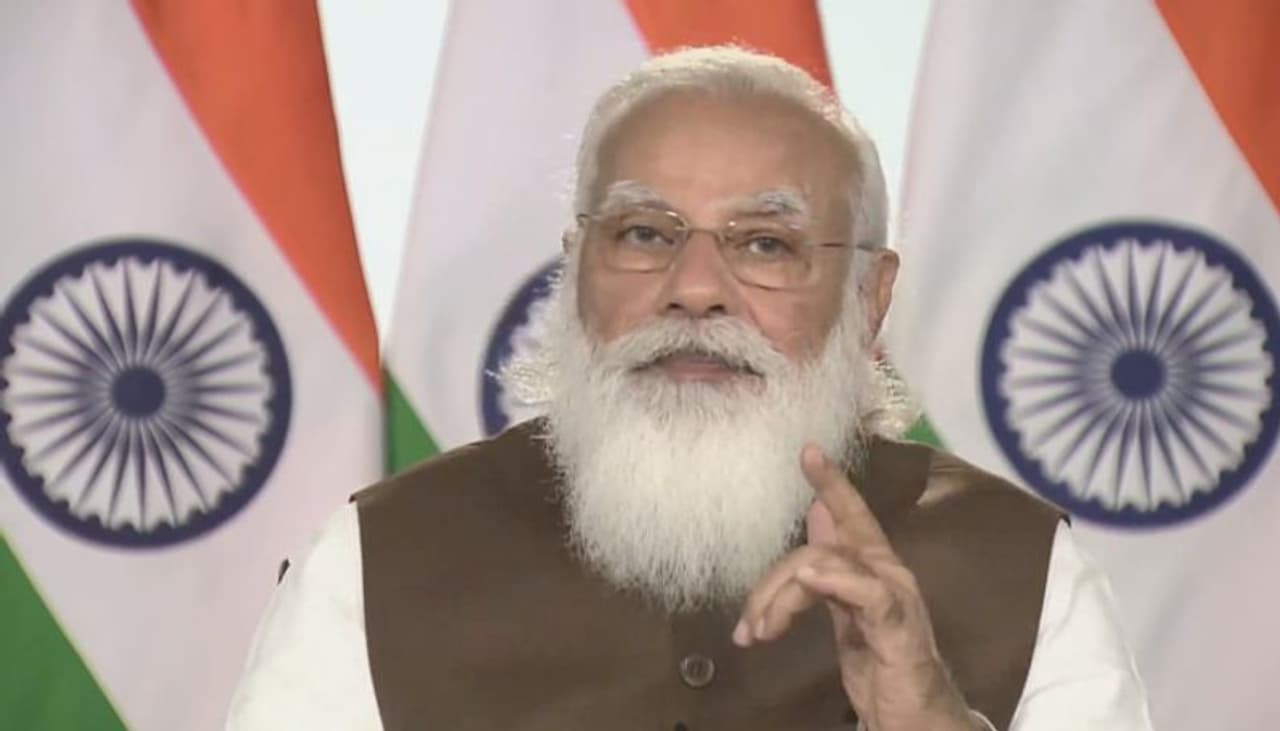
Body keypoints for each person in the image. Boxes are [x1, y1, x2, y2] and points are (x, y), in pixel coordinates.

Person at [227, 46, 1152, 730]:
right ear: (575, 269)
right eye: (643, 233)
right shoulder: (376, 558)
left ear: (869, 298)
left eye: (766, 244)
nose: (696, 288)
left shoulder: (1021, 565)